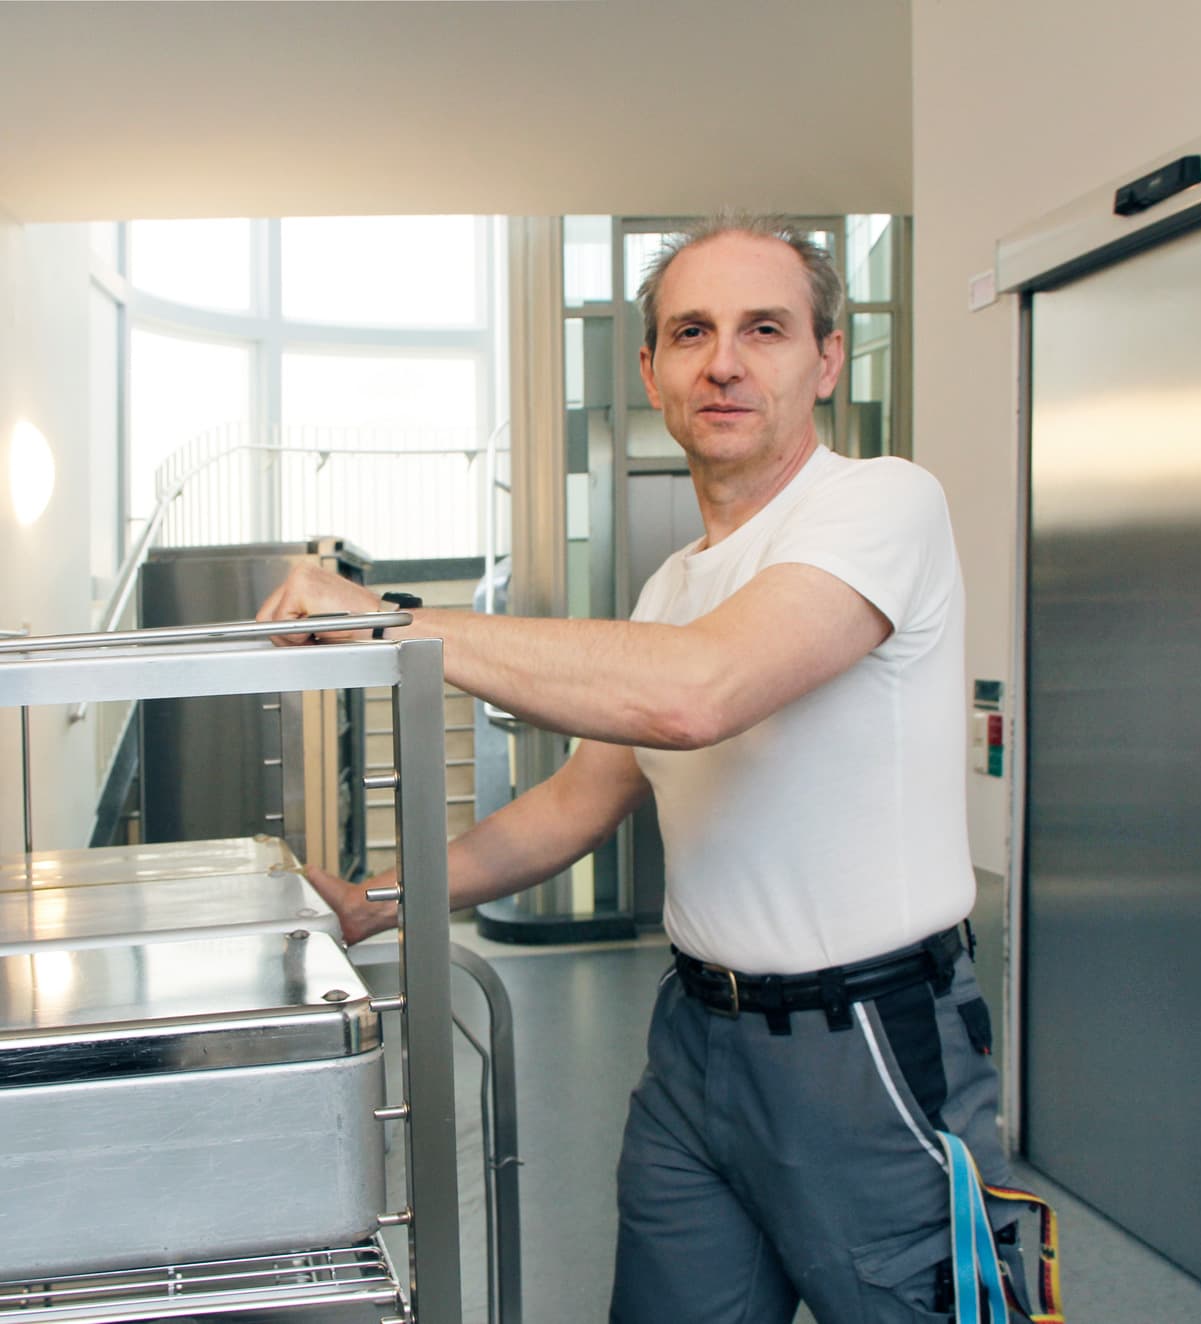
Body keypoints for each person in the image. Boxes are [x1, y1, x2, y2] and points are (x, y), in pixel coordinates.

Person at [257, 213, 1033, 1323]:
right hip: (695, 1047)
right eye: (690, 332)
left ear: (825, 359)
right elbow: (579, 799)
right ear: (651, 372)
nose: (722, 360)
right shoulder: (672, 583)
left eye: (762, 329)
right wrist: (375, 903)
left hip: (863, 1049)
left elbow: (692, 693)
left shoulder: (880, 504)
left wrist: (386, 622)